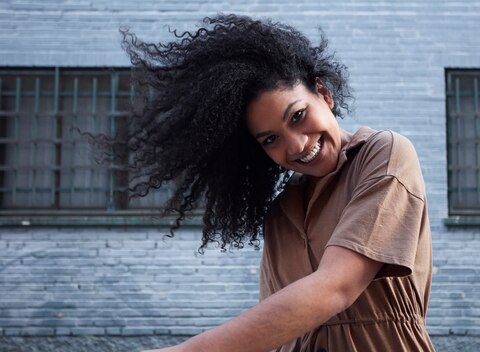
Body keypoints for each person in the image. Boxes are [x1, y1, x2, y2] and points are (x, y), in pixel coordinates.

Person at [107, 13, 435, 352]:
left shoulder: (382, 155)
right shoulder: (282, 212)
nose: (294, 145)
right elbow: (277, 330)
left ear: (323, 93)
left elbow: (335, 287)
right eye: (269, 140)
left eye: (297, 116)